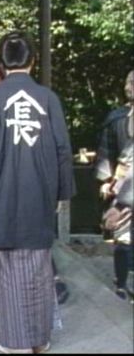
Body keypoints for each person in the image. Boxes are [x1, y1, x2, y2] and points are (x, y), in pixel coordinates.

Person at [0, 31, 75, 353]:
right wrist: (61, 194)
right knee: (38, 267)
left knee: (7, 268)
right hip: (39, 196)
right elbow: (63, 150)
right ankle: (39, 338)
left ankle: (15, 341)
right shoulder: (48, 99)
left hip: (1, 195)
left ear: (1, 63)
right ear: (33, 60)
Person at [95, 70, 134, 300]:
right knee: (122, 236)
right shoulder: (117, 118)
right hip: (122, 184)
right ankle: (121, 282)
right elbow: (106, 151)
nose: (129, 86)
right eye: (128, 81)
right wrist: (106, 180)